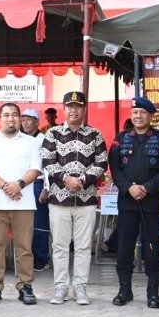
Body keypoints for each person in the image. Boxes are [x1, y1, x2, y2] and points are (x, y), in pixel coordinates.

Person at [42, 91, 108, 305]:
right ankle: (60, 288)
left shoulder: (95, 134)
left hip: (86, 199)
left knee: (83, 246)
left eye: (78, 106)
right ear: (63, 109)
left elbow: (102, 162)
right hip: (59, 200)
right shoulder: (52, 133)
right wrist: (66, 179)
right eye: (70, 106)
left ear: (84, 109)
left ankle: (80, 287)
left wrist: (83, 180)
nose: (73, 110)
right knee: (60, 246)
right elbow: (47, 161)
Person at [108, 96, 159, 307]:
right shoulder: (121, 138)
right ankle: (124, 290)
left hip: (152, 202)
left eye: (143, 112)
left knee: (153, 248)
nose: (138, 116)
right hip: (127, 202)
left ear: (151, 116)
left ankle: (153, 293)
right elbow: (114, 168)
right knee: (124, 247)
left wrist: (147, 187)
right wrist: (129, 188)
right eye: (135, 112)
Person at [0, 103, 42, 305]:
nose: (11, 119)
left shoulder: (32, 142)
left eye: (15, 115)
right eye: (6, 115)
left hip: (23, 204)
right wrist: (7, 186)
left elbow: (36, 169)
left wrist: (19, 184)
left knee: (24, 248)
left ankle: (25, 286)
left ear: (20, 119)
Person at [20, 107, 50, 271]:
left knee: (39, 224)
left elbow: (48, 166)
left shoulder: (43, 139)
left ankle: (41, 258)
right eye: (23, 119)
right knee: (24, 224)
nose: (25, 122)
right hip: (22, 185)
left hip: (38, 184)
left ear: (37, 122)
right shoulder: (20, 139)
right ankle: (26, 256)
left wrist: (46, 188)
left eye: (29, 119)